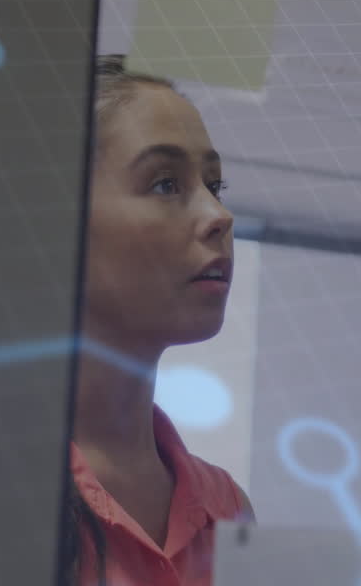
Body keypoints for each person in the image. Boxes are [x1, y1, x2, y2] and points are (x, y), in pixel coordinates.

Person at [63, 55, 253, 586]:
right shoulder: (12, 478)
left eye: (215, 186)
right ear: (59, 215)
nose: (219, 217)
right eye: (166, 184)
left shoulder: (229, 509)